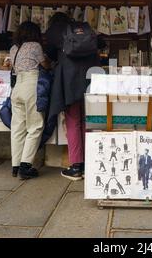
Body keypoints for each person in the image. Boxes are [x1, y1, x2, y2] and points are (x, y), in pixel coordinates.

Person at [46, 12, 102, 181]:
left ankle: (77, 166)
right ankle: (89, 163)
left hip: (69, 82)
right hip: (91, 79)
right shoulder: (85, 31)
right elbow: (102, 43)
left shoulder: (54, 32)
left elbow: (50, 54)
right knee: (87, 121)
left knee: (72, 121)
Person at [10, 21, 50, 180]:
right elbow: (45, 65)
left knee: (18, 127)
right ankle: (26, 166)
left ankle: (15, 165)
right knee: (35, 125)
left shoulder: (14, 48)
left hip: (17, 87)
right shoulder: (35, 46)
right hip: (31, 84)